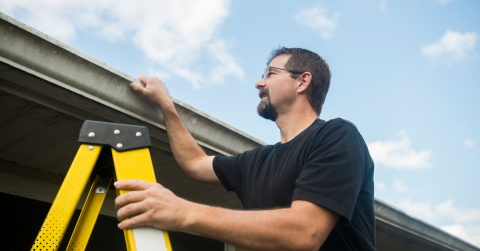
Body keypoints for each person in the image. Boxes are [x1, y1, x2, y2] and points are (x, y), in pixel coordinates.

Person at [114, 47, 376, 251]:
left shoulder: (337, 136)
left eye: (270, 74)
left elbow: (305, 233)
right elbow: (194, 163)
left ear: (302, 81)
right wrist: (167, 108)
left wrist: (182, 212)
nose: (258, 83)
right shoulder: (256, 162)